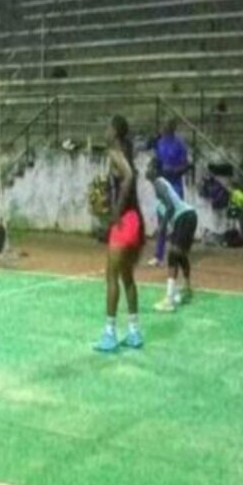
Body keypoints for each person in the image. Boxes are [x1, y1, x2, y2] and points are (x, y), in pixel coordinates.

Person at [96, 115, 145, 353]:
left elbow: (128, 176)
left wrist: (115, 209)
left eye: (107, 127)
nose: (104, 131)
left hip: (124, 220)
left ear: (114, 131)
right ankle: (134, 331)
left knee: (111, 276)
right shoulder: (126, 150)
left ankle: (110, 333)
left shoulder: (114, 152)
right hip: (135, 219)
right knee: (127, 277)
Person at [147, 160, 197, 312]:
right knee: (180, 254)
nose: (147, 169)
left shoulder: (158, 183)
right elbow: (168, 214)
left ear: (156, 171)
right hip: (189, 216)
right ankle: (187, 289)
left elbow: (170, 207)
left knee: (173, 254)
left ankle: (169, 300)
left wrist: (161, 227)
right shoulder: (160, 197)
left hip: (184, 216)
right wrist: (163, 230)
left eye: (150, 167)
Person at [150, 118, 189, 266]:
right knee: (162, 220)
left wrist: (174, 170)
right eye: (163, 125)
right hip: (163, 185)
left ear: (172, 127)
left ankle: (178, 252)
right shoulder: (159, 143)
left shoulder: (180, 144)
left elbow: (186, 165)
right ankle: (158, 255)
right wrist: (155, 166)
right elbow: (158, 161)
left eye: (166, 125)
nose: (163, 128)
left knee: (178, 220)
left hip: (176, 185)